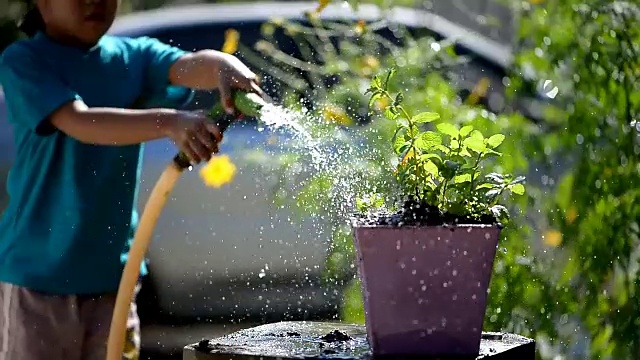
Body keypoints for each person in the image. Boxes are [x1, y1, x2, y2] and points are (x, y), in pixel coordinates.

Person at [0, 0, 263, 359]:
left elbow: (187, 66)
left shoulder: (133, 55)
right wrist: (170, 122)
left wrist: (223, 65)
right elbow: (79, 122)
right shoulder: (25, 60)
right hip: (39, 277)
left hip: (114, 277)